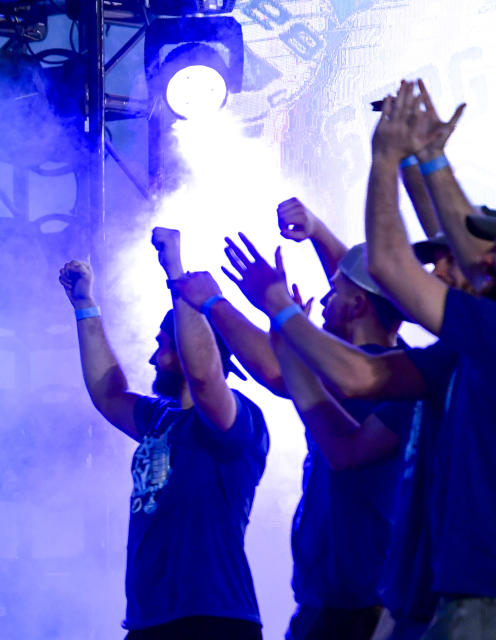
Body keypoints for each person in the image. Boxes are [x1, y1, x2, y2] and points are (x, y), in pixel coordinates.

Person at [221, 78, 496, 640]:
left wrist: (390, 158)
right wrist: (424, 156)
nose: (440, 271)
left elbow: (392, 276)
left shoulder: (483, 333)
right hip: (415, 593)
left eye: (451, 264)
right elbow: (359, 368)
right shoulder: (453, 356)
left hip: (454, 593)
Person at [176, 238, 412, 640]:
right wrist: (317, 230)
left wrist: (218, 304)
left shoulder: (375, 373)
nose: (322, 301)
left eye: (334, 292)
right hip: (336, 599)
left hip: (364, 606)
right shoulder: (388, 366)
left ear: (357, 306)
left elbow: (277, 371)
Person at [58, 228, 269, 640]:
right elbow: (108, 393)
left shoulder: (238, 417)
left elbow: (206, 379)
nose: (154, 357)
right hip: (150, 621)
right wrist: (85, 306)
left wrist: (176, 273)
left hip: (212, 620)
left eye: (163, 345)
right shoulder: (161, 418)